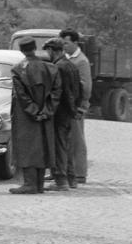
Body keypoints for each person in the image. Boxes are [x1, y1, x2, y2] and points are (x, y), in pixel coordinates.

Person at [9, 36, 61, 195]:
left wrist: (34, 111)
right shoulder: (51, 68)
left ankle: (30, 184)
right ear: (35, 47)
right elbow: (57, 93)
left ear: (21, 50)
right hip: (46, 115)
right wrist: (46, 111)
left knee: (27, 147)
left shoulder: (18, 69)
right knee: (42, 146)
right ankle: (38, 184)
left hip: (26, 116)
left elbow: (21, 95)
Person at [43, 37, 81, 191]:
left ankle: (60, 180)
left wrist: (50, 110)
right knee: (66, 145)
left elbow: (60, 92)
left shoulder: (58, 67)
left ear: (52, 50)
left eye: (48, 51)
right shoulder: (71, 65)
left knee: (59, 146)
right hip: (69, 111)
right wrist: (75, 108)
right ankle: (71, 178)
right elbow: (79, 89)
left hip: (60, 111)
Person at [60, 28, 91, 184]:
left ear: (75, 42)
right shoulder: (67, 59)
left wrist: (82, 106)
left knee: (77, 140)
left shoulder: (81, 61)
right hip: (68, 107)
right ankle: (66, 171)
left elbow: (86, 86)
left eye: (66, 43)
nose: (64, 46)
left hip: (76, 107)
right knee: (67, 140)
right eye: (62, 43)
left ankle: (80, 173)